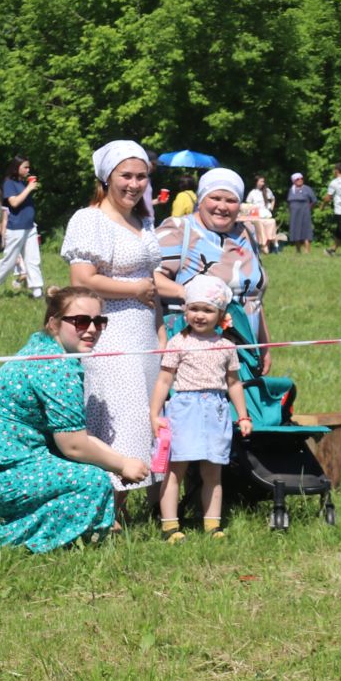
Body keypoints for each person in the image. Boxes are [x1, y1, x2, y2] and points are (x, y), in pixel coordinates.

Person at [0, 289, 148, 552]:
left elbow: (75, 438)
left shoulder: (43, 348)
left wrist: (120, 462)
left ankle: (11, 529)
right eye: (80, 321)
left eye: (99, 322)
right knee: (93, 482)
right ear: (53, 323)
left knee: (86, 474)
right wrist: (123, 464)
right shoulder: (56, 367)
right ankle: (6, 541)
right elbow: (74, 445)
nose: (91, 329)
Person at [62, 140, 170, 521]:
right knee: (118, 423)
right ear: (107, 177)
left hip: (144, 333)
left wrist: (160, 328)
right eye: (126, 175)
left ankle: (132, 511)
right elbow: (82, 279)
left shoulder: (142, 220)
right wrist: (135, 290)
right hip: (109, 331)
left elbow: (151, 282)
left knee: (143, 419)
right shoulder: (90, 220)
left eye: (141, 176)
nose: (134, 184)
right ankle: (103, 514)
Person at [150, 275, 251, 542]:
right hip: (184, 409)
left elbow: (233, 383)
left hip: (216, 411)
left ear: (220, 315)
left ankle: (212, 525)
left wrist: (242, 415)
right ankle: (170, 526)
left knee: (213, 471)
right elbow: (164, 380)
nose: (200, 315)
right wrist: (155, 413)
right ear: (185, 311)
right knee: (175, 470)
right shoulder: (177, 343)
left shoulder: (227, 346)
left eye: (207, 310)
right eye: (194, 308)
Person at [158, 167, 270, 349]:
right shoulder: (179, 230)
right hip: (194, 354)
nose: (223, 206)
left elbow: (253, 294)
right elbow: (148, 279)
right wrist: (191, 294)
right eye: (215, 198)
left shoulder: (247, 233)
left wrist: (264, 346)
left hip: (247, 350)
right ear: (201, 200)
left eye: (231, 200)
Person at [0, 155, 45, 299]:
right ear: (17, 168)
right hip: (15, 228)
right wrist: (29, 188)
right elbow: (14, 203)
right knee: (9, 260)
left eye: (29, 167)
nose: (28, 169)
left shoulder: (22, 183)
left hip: (29, 227)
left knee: (33, 259)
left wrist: (27, 187)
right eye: (25, 167)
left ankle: (37, 291)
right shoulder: (9, 183)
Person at [283, 171, 317, 254]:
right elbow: (289, 201)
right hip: (294, 214)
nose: (300, 180)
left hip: (305, 212)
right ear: (294, 180)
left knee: (306, 230)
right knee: (295, 230)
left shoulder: (307, 189)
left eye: (301, 178)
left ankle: (307, 250)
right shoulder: (292, 190)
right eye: (298, 179)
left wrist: (309, 208)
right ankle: (298, 250)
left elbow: (314, 201)